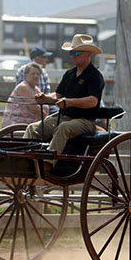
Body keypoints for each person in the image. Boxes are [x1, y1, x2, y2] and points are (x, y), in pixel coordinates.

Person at [23, 34, 105, 167]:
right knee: (32, 128)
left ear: (88, 54)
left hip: (85, 121)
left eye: (77, 53)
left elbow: (93, 101)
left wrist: (70, 102)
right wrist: (45, 98)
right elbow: (58, 95)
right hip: (64, 117)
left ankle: (48, 163)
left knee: (63, 128)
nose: (73, 56)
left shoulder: (95, 76)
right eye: (71, 53)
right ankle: (26, 161)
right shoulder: (69, 74)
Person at [2, 62, 48, 127]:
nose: (36, 76)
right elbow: (34, 108)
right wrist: (47, 117)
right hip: (16, 125)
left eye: (38, 74)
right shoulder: (23, 87)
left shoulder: (36, 89)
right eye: (33, 73)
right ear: (26, 75)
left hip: (29, 124)